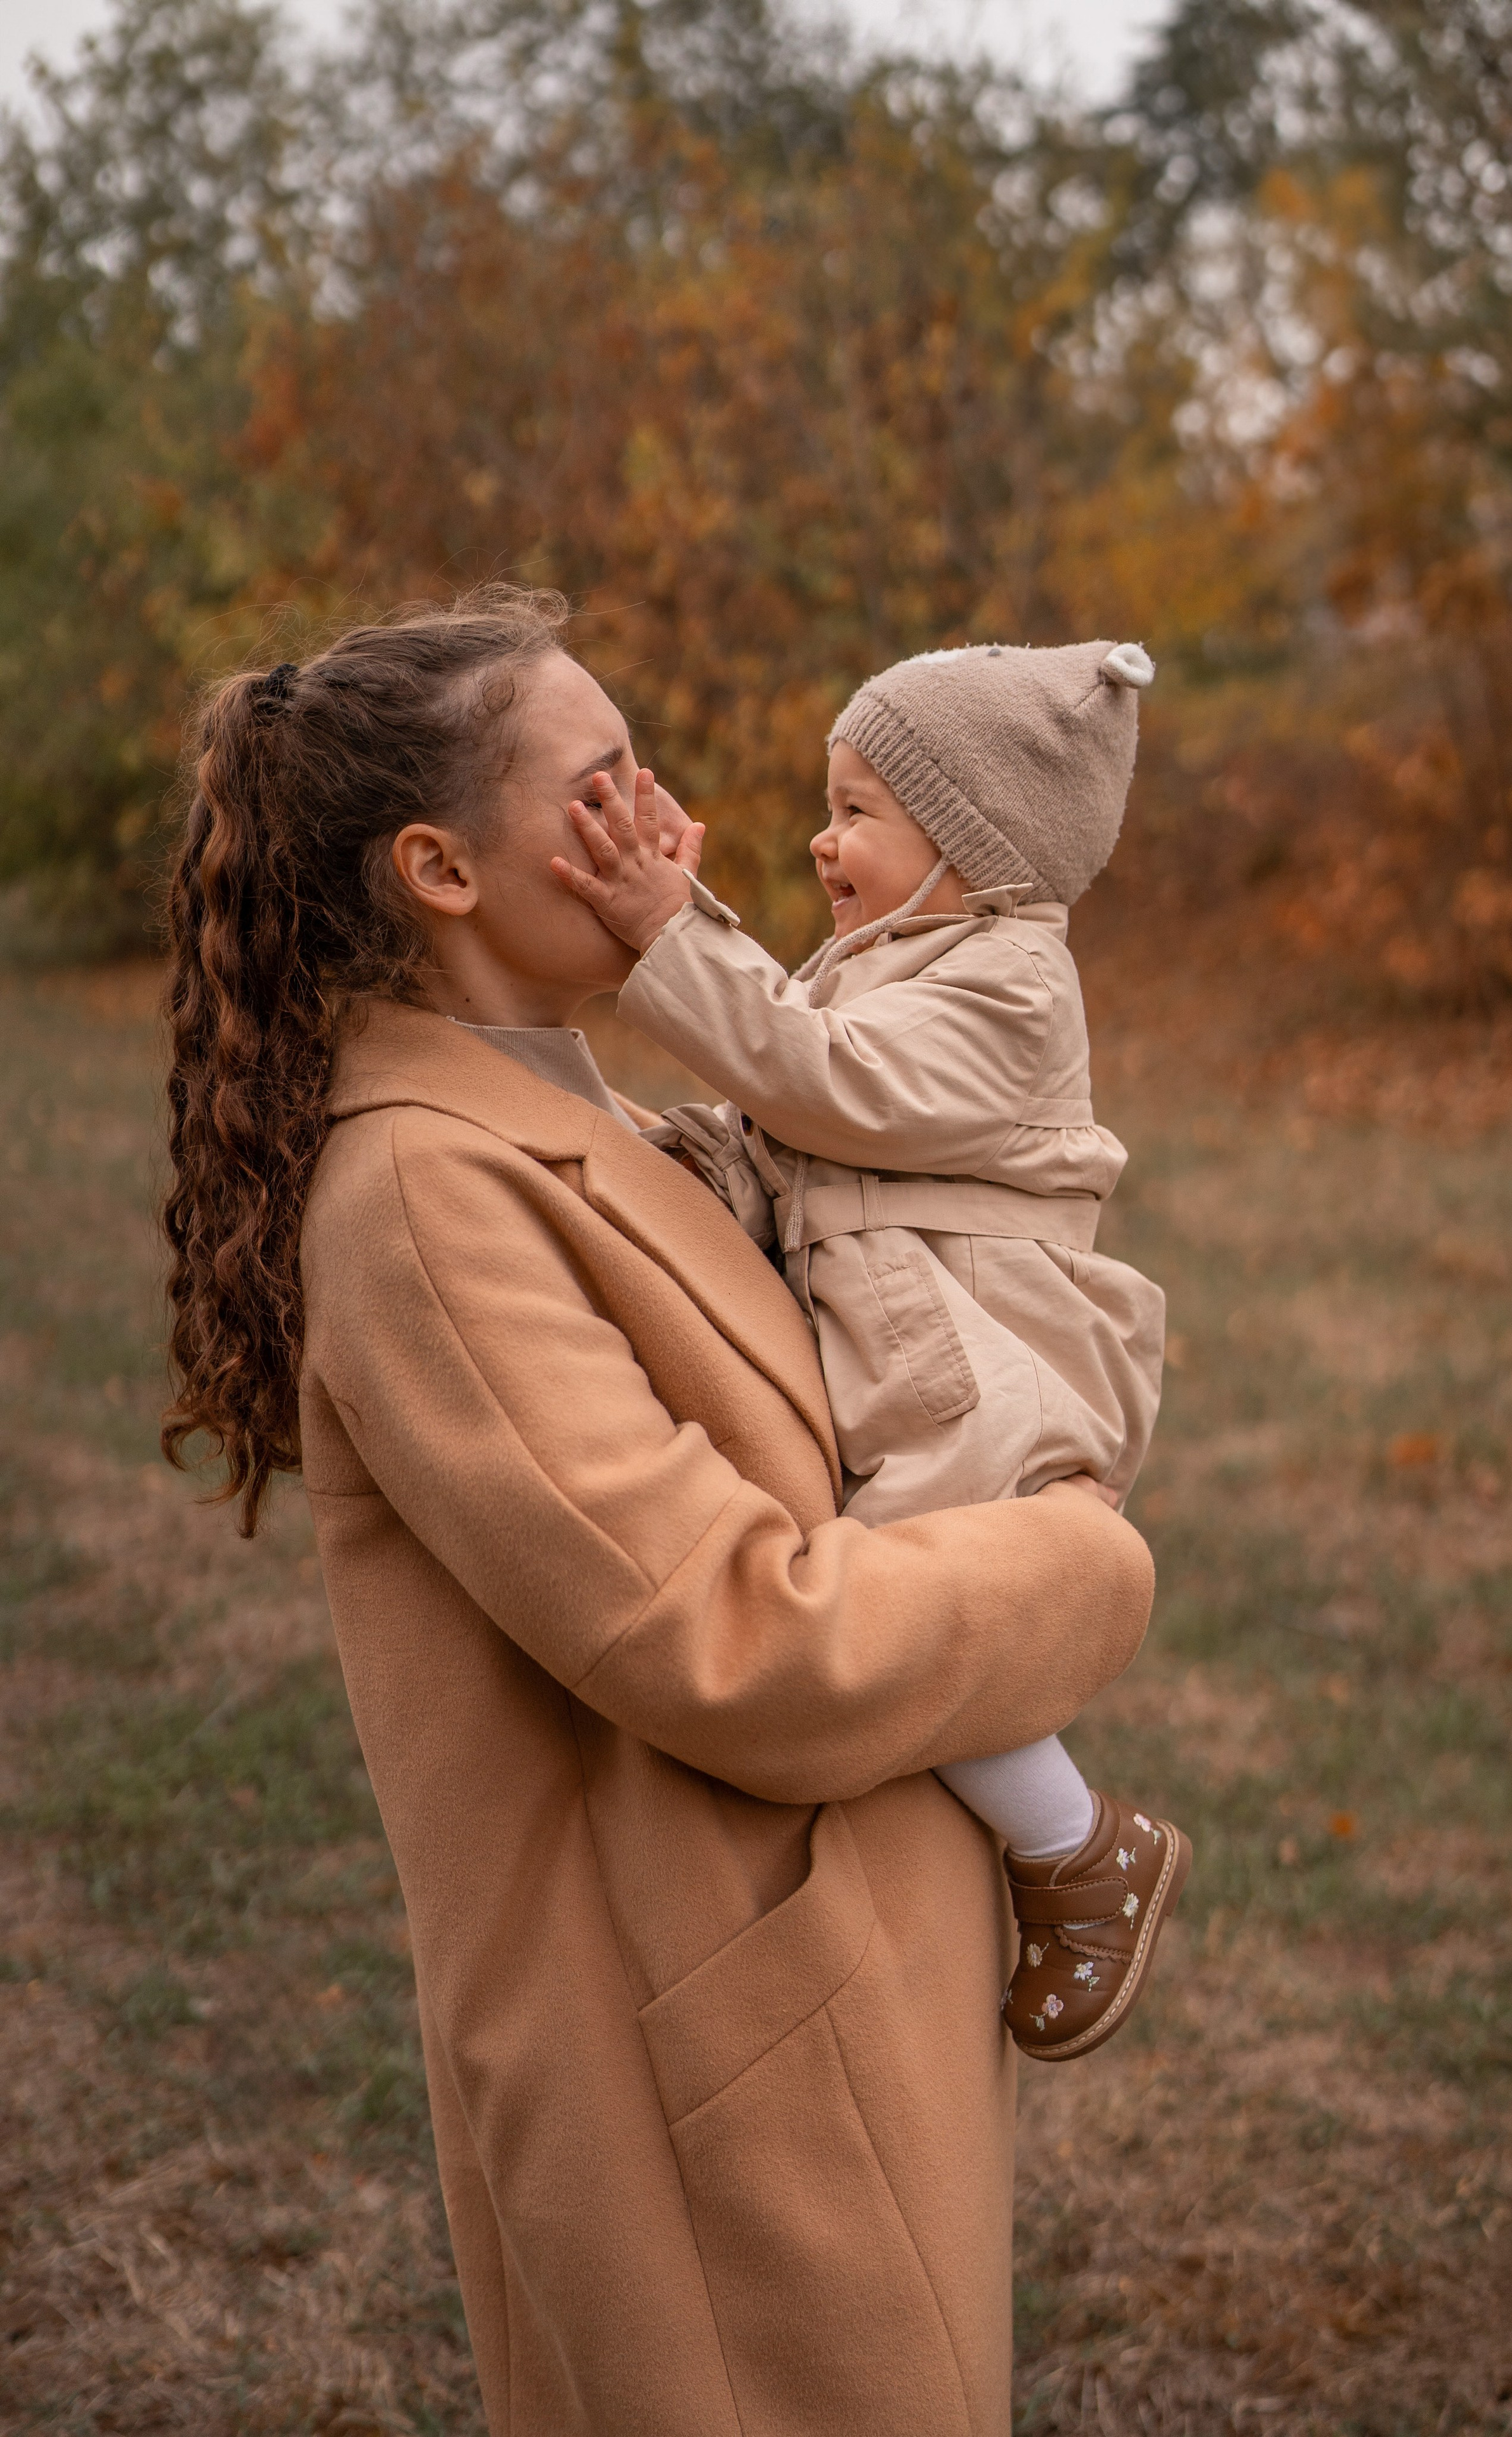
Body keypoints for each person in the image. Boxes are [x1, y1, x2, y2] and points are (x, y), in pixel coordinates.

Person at [161, 586, 1158, 2437]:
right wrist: (1078, 1562)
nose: (673, 834)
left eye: (653, 782)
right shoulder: (424, 1204)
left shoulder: (578, 1116)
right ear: (443, 870)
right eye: (605, 791)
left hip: (817, 2003)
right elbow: (731, 1636)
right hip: (705, 2081)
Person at [551, 640, 1190, 2062]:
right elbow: (777, 1126)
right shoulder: (902, 962)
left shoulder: (1010, 989)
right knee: (890, 1609)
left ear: (971, 846)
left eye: (854, 812)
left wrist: (670, 929)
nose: (821, 842)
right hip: (906, 1338)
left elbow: (815, 1083)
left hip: (980, 1352)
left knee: (898, 1620)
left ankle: (1080, 1845)